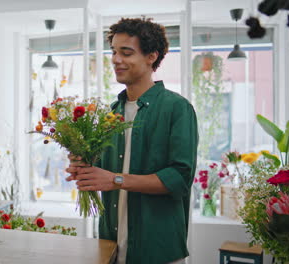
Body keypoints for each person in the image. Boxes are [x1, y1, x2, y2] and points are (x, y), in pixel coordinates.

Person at [66, 18, 198, 264]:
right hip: (111, 247)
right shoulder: (111, 113)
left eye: (126, 52)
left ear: (151, 57)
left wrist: (115, 180)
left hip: (158, 251)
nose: (116, 59)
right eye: (114, 52)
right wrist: (84, 168)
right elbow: (103, 172)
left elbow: (180, 179)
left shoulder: (177, 108)